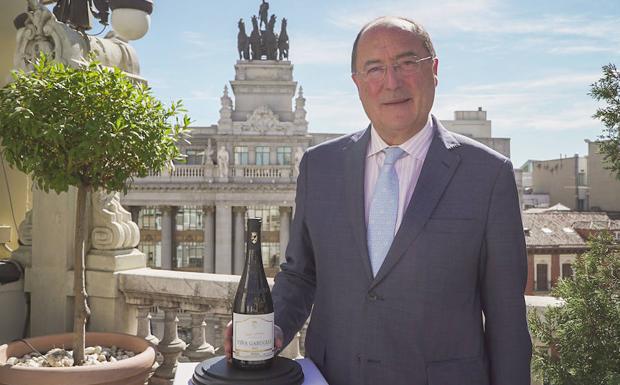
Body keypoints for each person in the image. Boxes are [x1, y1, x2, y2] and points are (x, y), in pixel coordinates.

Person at [225, 16, 531, 385]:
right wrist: (270, 328)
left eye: (406, 64)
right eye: (375, 68)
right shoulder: (319, 166)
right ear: (357, 82)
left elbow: (507, 322)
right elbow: (301, 273)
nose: (392, 82)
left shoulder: (489, 175)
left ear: (434, 70)